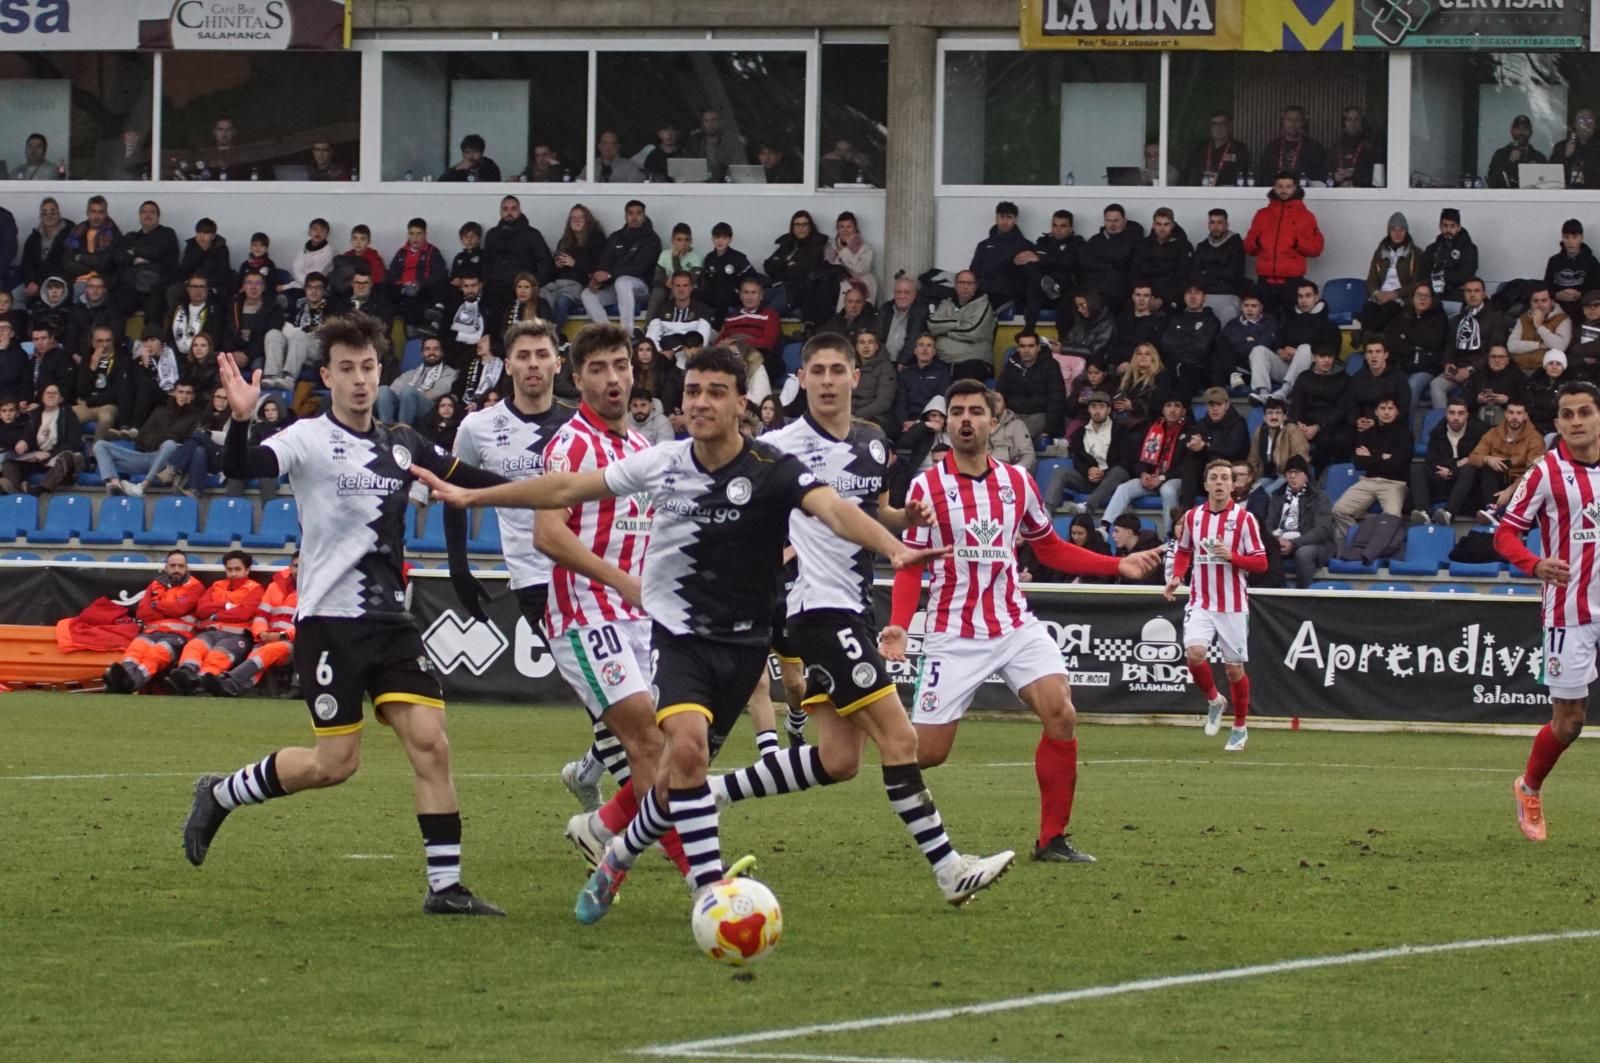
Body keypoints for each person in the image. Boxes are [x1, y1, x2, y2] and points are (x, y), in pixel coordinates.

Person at [420, 343, 945, 920]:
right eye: (692, 391)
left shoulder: (773, 468)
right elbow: (566, 490)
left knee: (674, 774)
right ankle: (711, 895)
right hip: (674, 637)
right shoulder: (663, 461)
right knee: (685, 751)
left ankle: (616, 851)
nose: (700, 402)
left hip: (743, 644)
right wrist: (476, 494)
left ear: (741, 403)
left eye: (715, 392)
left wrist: (891, 544)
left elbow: (835, 510)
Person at [184, 313, 514, 916]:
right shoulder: (307, 437)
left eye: (368, 367)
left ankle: (446, 889)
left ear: (380, 371)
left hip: (392, 623)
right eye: (347, 370)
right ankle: (222, 792)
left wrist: (552, 486)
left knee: (432, 745)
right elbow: (244, 466)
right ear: (327, 377)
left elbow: (466, 478)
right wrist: (238, 419)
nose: (360, 380)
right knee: (335, 765)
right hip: (330, 623)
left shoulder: (404, 443)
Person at [690, 335, 1018, 905]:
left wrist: (901, 516)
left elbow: (869, 512)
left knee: (839, 760)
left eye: (835, 370)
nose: (824, 380)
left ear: (854, 376)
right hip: (814, 609)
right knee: (900, 735)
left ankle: (703, 796)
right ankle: (948, 868)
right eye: (814, 370)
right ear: (803, 379)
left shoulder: (871, 442)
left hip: (855, 608)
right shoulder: (777, 446)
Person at [882, 379, 1160, 866]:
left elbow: (1047, 545)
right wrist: (902, 624)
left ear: (994, 420)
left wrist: (1116, 564)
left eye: (975, 411)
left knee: (1062, 714)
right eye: (956, 412)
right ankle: (873, 724)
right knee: (926, 753)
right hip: (953, 631)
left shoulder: (1016, 482)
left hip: (1014, 623)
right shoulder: (927, 486)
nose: (965, 419)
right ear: (947, 423)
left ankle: (1052, 839)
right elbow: (911, 562)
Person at [1497, 382, 1600, 842]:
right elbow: (1504, 535)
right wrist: (1535, 564)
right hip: (1569, 612)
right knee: (1570, 722)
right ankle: (1530, 786)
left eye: (1585, 412)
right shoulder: (1544, 473)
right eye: (1567, 414)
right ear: (1557, 424)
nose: (1577, 421)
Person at [1164, 459, 1266, 750]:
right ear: (1206, 484)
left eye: (1225, 478)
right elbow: (1183, 550)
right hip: (1201, 601)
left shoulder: (1245, 519)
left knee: (1234, 671)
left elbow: (1261, 562)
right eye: (1214, 478)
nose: (1220, 482)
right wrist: (1176, 577)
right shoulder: (1194, 516)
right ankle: (1213, 699)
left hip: (1233, 605)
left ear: (1234, 485)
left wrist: (1232, 556)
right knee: (1194, 654)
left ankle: (1240, 727)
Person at [165, 551, 267, 696]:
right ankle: (186, 674)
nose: (233, 573)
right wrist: (227, 605)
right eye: (229, 569)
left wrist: (214, 614)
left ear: (247, 570)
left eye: (237, 569)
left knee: (217, 655)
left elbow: (243, 613)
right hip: (210, 632)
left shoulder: (255, 588)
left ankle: (200, 682)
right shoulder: (217, 585)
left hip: (236, 635)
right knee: (194, 646)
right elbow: (201, 609)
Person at [103, 550, 205, 694]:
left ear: (186, 568)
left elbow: (178, 610)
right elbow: (142, 613)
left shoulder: (195, 586)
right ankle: (122, 681)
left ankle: (130, 685)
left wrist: (156, 604)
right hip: (151, 632)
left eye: (181, 566)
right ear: (166, 568)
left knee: (156, 655)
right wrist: (168, 607)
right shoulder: (156, 584)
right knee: (134, 652)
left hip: (178, 636)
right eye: (173, 565)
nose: (177, 570)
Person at [92, 381, 200, 498]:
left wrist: (164, 440)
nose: (184, 396)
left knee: (170, 445)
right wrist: (162, 439)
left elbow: (188, 443)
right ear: (173, 393)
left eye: (188, 393)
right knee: (100, 445)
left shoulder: (196, 418)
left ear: (193, 397)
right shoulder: (160, 411)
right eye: (181, 392)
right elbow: (141, 437)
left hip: (168, 463)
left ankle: (143, 486)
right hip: (146, 456)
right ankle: (114, 483)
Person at [212, 555, 299, 697]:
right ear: (290, 568)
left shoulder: (315, 591)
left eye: (304, 566)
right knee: (256, 655)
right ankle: (232, 689)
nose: (300, 570)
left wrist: (282, 635)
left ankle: (230, 681)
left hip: (294, 643)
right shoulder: (274, 587)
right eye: (296, 566)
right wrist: (261, 633)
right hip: (268, 637)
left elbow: (311, 625)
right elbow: (261, 615)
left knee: (265, 652)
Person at [1101, 396, 1191, 529]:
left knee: (1168, 491)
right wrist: (1143, 473)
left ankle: (1170, 536)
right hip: (1152, 478)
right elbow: (1140, 458)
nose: (1172, 410)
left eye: (1177, 406)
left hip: (1174, 479)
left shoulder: (1189, 431)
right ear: (1163, 410)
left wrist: (1162, 478)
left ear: (1183, 411)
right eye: (1168, 405)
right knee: (1124, 488)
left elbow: (1186, 466)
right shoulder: (1152, 429)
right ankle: (1104, 527)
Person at [1242, 173, 1324, 319]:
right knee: (1266, 322)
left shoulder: (1306, 216)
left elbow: (1316, 248)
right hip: (1265, 280)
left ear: (1295, 188)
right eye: (1280, 186)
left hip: (1292, 282)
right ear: (1274, 188)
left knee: (1293, 321)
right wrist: (1257, 243)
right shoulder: (1262, 214)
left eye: (1288, 186)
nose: (1283, 190)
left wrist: (1298, 244)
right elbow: (1248, 247)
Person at [1332, 397, 1413, 539]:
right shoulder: (1366, 433)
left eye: (1390, 408)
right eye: (1382, 408)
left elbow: (1398, 464)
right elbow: (1359, 463)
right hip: (1368, 481)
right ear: (1376, 412)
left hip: (1394, 484)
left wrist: (1372, 456)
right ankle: (1358, 540)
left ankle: (1377, 547)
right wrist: (1383, 457)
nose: (1386, 412)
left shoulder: (1405, 434)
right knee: (1339, 510)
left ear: (1397, 412)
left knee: (1392, 517)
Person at [581, 200, 660, 330]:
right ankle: (609, 334)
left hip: (641, 289)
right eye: (630, 213)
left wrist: (609, 275)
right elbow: (605, 262)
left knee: (623, 281)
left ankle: (627, 333)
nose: (634, 217)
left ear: (644, 216)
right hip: (616, 287)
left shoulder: (651, 239)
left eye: (638, 213)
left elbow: (639, 268)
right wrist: (598, 279)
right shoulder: (616, 237)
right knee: (587, 294)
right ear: (625, 216)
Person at [1057, 390, 1136, 516]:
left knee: (1118, 471)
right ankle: (1045, 512)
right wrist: (1088, 471)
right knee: (1060, 472)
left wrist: (1103, 473)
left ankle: (1088, 506)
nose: (1097, 411)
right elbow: (1077, 460)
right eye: (1093, 407)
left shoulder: (1120, 430)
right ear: (1088, 409)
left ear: (1109, 410)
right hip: (1089, 479)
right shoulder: (1079, 433)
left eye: (1101, 407)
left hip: (1113, 479)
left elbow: (1126, 460)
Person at [1411, 397, 1487, 525]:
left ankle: (1448, 513)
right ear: (1446, 414)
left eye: (1460, 413)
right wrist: (1457, 464)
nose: (1456, 417)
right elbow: (1432, 461)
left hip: (1467, 487)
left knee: (1470, 468)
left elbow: (1477, 458)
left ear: (1467, 415)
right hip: (1441, 479)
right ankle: (1423, 513)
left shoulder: (1479, 431)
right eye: (1452, 413)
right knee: (1417, 467)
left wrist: (1452, 471)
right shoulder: (1437, 433)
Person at [1437, 278, 1509, 410]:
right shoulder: (1456, 319)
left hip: (1481, 371)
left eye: (1476, 291)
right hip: (1457, 369)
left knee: (1472, 391)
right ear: (1463, 294)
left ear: (1484, 294)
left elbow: (1495, 351)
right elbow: (1449, 348)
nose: (1472, 294)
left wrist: (1470, 370)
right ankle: (1444, 424)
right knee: (1435, 385)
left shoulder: (1496, 318)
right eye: (1468, 291)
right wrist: (1448, 364)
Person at [1262, 455, 1333, 588]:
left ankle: (1302, 593)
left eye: (1297, 472)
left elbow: (1322, 530)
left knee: (1303, 553)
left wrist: (1294, 543)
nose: (1293, 476)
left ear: (1306, 476)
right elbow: (1268, 523)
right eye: (1289, 473)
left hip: (1309, 543)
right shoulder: (1277, 496)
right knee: (1261, 551)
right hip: (1280, 540)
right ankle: (1274, 593)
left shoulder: (1319, 497)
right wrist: (1275, 541)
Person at [1468, 399, 1545, 518]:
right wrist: (1487, 458)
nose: (1515, 417)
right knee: (1484, 468)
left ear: (1525, 416)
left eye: (1519, 413)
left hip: (1519, 484)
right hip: (1494, 481)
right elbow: (1473, 457)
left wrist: (1509, 490)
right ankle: (1491, 509)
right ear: (1505, 414)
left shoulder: (1535, 438)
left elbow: (1533, 472)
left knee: (1531, 481)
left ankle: (1496, 512)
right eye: (1511, 412)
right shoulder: (1493, 433)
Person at [0, 385, 81, 494]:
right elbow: (28, 436)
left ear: (60, 398)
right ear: (42, 397)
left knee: (67, 457)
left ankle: (41, 489)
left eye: (54, 393)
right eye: (48, 393)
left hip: (56, 458)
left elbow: (74, 442)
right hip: (36, 459)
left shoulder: (68, 415)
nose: (51, 396)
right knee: (9, 461)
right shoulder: (35, 415)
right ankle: (14, 492)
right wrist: (23, 441)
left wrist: (49, 453)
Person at [1178, 386, 1250, 507]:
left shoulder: (1238, 423)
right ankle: (1186, 511)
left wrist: (1206, 446)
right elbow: (1188, 440)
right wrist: (1192, 444)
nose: (1215, 409)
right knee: (1191, 460)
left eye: (1219, 404)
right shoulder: (1202, 423)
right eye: (1211, 405)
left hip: (1232, 468)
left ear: (1227, 405)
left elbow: (1232, 450)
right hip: (1205, 475)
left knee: (1215, 460)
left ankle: (1215, 506)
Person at [1385, 282, 1449, 414]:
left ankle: (1406, 429)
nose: (1422, 298)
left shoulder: (1439, 316)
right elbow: (1391, 340)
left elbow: (1433, 342)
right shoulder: (1403, 314)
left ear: (1432, 299)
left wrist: (1407, 336)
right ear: (1412, 297)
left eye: (1427, 296)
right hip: (1403, 363)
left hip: (1427, 367)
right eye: (1419, 295)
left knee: (1412, 385)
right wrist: (1412, 348)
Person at [113, 200, 179, 323]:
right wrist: (135, 260)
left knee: (153, 315)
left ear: (158, 217)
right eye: (144, 212)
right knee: (114, 310)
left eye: (152, 212)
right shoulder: (131, 236)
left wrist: (134, 251)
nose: (148, 215)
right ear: (139, 216)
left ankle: (152, 342)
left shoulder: (167, 234)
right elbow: (118, 256)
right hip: (131, 288)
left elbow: (155, 251)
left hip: (156, 288)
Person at [483, 196, 554, 312]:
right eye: (505, 209)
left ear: (520, 210)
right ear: (500, 212)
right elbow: (486, 262)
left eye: (513, 208)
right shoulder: (492, 235)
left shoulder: (532, 234)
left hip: (521, 289)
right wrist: (486, 283)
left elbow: (545, 262)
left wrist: (534, 285)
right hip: (495, 289)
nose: (509, 212)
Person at [927, 270, 997, 381]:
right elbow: (933, 325)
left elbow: (972, 332)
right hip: (943, 361)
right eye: (961, 282)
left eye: (969, 283)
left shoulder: (983, 305)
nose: (965, 287)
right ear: (955, 285)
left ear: (975, 286)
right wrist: (959, 323)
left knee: (963, 387)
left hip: (974, 363)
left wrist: (945, 331)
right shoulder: (946, 303)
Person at [1288, 347, 1351, 469]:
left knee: (1327, 440)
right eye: (1322, 356)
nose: (1326, 360)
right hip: (1306, 424)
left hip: (1333, 424)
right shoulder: (1304, 377)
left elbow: (1342, 409)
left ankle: (1318, 474)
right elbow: (1296, 403)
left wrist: (1318, 426)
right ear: (1314, 358)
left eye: (1330, 356)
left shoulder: (1344, 379)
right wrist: (1299, 423)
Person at [1358, 213, 1419, 338]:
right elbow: (1371, 280)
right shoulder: (1380, 252)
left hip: (1401, 298)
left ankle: (1365, 336)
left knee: (1389, 309)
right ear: (1389, 231)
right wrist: (1376, 293)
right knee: (1368, 308)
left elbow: (1417, 283)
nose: (1397, 233)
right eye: (1393, 229)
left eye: (1401, 230)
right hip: (1380, 296)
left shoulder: (1415, 254)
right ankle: (1369, 338)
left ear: (1406, 231)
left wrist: (1395, 294)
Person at [762, 211, 829, 326]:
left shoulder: (816, 247)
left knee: (766, 316)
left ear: (810, 226)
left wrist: (780, 268)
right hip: (776, 286)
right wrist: (786, 264)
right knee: (750, 302)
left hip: (793, 292)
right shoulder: (787, 243)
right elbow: (768, 266)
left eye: (804, 224)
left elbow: (801, 273)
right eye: (797, 224)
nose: (800, 228)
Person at [996, 329, 1065, 440]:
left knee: (1017, 437)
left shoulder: (1051, 365)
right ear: (1018, 348)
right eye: (1022, 346)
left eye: (1031, 346)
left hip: (1038, 415)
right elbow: (1000, 390)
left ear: (1038, 348)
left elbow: (1056, 399)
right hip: (1013, 414)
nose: (1026, 350)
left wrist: (1048, 430)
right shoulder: (1012, 363)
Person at [1160, 282, 1223, 400]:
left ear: (1204, 297)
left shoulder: (1211, 320)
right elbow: (1166, 343)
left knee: (1184, 381)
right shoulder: (1175, 318)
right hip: (1172, 366)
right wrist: (1191, 338)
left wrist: (1179, 339)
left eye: (1197, 293)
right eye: (1189, 292)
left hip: (1197, 369)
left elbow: (1201, 348)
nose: (1193, 296)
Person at [546, 205, 606, 327]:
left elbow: (596, 269)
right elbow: (552, 272)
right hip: (558, 283)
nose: (577, 220)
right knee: (540, 296)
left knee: (562, 301)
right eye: (573, 218)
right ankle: (539, 334)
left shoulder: (596, 239)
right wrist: (556, 265)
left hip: (577, 284)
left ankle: (553, 337)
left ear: (587, 220)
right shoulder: (564, 241)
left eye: (581, 217)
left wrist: (574, 264)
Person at [377, 335, 457, 426]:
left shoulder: (449, 372)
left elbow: (438, 391)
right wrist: (405, 398)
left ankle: (403, 431)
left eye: (436, 349)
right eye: (427, 349)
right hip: (404, 403)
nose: (431, 352)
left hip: (430, 407)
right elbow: (393, 390)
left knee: (408, 391)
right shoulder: (410, 373)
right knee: (383, 390)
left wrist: (411, 395)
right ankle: (385, 427)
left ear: (442, 353)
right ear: (422, 354)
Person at [969, 202, 1032, 314]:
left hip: (1008, 296)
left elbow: (1027, 280)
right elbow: (974, 271)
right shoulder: (983, 245)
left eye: (1009, 217)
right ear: (996, 218)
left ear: (1015, 220)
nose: (1005, 221)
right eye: (1002, 216)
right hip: (982, 294)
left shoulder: (1025, 246)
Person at [1081, 204, 1143, 313]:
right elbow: (1087, 263)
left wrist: (1105, 262)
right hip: (1094, 287)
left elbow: (1125, 260)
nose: (1112, 225)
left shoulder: (1133, 240)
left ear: (1124, 221)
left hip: (1119, 290)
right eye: (1108, 220)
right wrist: (1110, 264)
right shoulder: (1095, 240)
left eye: (1116, 220)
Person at [1191, 209, 1246, 327]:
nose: (1215, 226)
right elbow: (1195, 274)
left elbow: (1233, 273)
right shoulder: (1202, 246)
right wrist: (1220, 274)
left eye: (1220, 222)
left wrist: (1207, 272)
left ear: (1227, 224)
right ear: (1208, 225)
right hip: (1206, 294)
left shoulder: (1236, 244)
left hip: (1229, 294)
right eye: (1212, 222)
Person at [1247, 397, 1308, 499]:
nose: (1274, 416)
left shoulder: (1292, 430)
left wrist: (1290, 475)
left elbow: (1300, 459)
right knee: (1250, 494)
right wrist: (1248, 479)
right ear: (1264, 417)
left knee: (1266, 495)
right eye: (1270, 413)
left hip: (1287, 476)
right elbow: (1253, 460)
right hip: (1267, 475)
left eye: (1278, 413)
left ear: (1284, 417)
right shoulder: (1259, 431)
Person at [1132, 207, 1192, 311]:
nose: (1162, 228)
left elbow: (1183, 278)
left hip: (1172, 299)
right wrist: (1145, 297)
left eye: (1166, 224)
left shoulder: (1184, 246)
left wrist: (1163, 299)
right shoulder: (1142, 245)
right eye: (1158, 224)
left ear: (1172, 225)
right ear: (1153, 225)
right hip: (1144, 297)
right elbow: (1135, 272)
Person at [1543, 220, 1600, 325]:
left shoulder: (1591, 262)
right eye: (1566, 237)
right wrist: (1556, 295)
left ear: (1581, 238)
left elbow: (1596, 290)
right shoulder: (1554, 261)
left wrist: (1581, 295)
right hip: (1558, 309)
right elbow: (1546, 287)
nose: (1570, 242)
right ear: (1562, 238)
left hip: (1582, 309)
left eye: (1574, 237)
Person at [1421, 208, 1478, 312]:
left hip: (1457, 299)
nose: (1448, 230)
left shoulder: (1469, 249)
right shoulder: (1432, 249)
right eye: (1445, 225)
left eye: (1452, 226)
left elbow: (1465, 276)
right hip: (1432, 298)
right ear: (1440, 226)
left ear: (1459, 227)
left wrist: (1441, 275)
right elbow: (1423, 273)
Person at [647, 222, 703, 323]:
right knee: (657, 292)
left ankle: (672, 324)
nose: (683, 243)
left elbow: (689, 281)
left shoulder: (696, 257)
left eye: (687, 240)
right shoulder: (664, 254)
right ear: (673, 240)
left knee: (677, 289)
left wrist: (676, 259)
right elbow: (655, 280)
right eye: (679, 240)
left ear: (691, 241)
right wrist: (665, 281)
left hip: (687, 289)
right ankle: (648, 328)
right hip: (668, 287)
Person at [1509, 287, 1573, 373]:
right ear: (1530, 303)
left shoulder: (1563, 319)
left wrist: (1539, 326)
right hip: (1518, 368)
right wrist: (1539, 345)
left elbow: (1560, 347)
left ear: (1552, 303)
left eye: (1544, 300)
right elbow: (1511, 346)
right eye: (1535, 301)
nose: (1539, 305)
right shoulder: (1523, 318)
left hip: (1544, 371)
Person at [1260, 106, 1328, 184]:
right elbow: (1263, 175)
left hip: (1306, 192)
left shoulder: (1315, 148)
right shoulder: (1272, 147)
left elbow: (1320, 176)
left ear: (1304, 123)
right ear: (1282, 122)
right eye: (1289, 119)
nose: (1293, 124)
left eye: (1298, 120)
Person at [1109, 283, 1168, 370]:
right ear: (1133, 297)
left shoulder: (1159, 322)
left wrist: (1133, 364)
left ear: (1151, 299)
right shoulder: (1122, 319)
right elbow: (1115, 344)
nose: (1141, 299)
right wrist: (1122, 362)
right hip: (1121, 365)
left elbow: (1155, 349)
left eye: (1146, 296)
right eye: (1138, 295)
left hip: (1148, 369)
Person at [1188, 112, 1249, 188]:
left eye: (1223, 124)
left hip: (1227, 194)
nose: (1218, 127)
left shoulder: (1238, 148)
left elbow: (1242, 175)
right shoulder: (1201, 148)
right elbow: (1191, 174)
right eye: (1214, 124)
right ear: (1210, 128)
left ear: (1229, 127)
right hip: (1201, 193)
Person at [1487, 114, 1547, 189]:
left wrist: (1535, 170)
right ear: (1511, 131)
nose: (1521, 132)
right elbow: (1493, 182)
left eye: (1525, 129)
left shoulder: (1539, 157)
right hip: (1507, 198)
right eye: (1517, 129)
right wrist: (1509, 162)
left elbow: (1547, 184)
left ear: (1531, 132)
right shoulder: (1500, 155)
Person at [685, 110, 744, 183]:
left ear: (720, 122)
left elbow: (738, 167)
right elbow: (688, 166)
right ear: (702, 123)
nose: (710, 124)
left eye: (714, 120)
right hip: (700, 184)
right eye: (706, 121)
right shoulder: (696, 142)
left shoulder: (731, 142)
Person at [1331, 106, 1382, 188]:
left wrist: (1355, 176)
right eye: (1349, 120)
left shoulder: (1373, 147)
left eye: (1356, 120)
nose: (1353, 123)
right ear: (1344, 123)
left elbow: (1378, 178)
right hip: (1339, 195)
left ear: (1362, 123)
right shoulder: (1335, 148)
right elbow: (1323, 175)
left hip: (1364, 195)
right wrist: (1334, 177)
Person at [1474, 345, 1526, 423]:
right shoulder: (1478, 375)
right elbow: (1465, 398)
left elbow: (1527, 401)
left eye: (1501, 357)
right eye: (1493, 357)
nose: (1497, 360)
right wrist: (1477, 399)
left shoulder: (1518, 377)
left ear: (1508, 360)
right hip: (1479, 419)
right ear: (1488, 359)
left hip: (1508, 421)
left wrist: (1508, 400)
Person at [1554, 109, 1600, 189]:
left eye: (1590, 119)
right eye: (1581, 119)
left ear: (1595, 124)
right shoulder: (1562, 147)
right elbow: (1551, 173)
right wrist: (1566, 156)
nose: (1586, 123)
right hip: (1568, 195)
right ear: (1575, 124)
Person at [582, 130, 646, 183]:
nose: (608, 147)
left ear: (618, 146)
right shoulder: (591, 167)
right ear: (599, 146)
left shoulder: (629, 167)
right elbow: (578, 185)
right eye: (605, 143)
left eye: (612, 144)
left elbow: (636, 190)